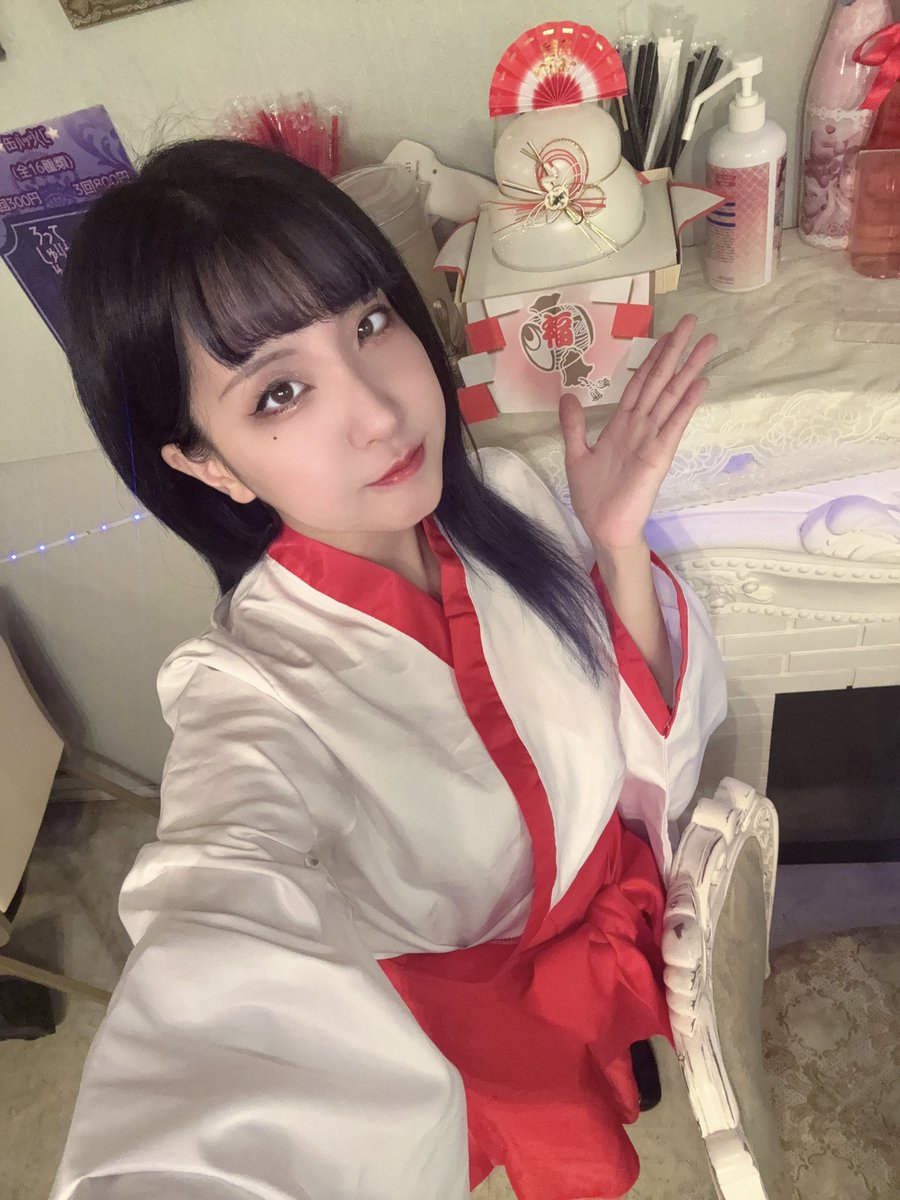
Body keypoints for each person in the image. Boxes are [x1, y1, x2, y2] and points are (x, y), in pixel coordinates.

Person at [51, 138, 727, 1200]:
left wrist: (615, 545)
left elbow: (640, 741)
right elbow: (218, 913)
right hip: (485, 1029)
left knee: (621, 1080)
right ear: (208, 464)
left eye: (369, 322)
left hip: (608, 929)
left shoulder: (506, 499)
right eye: (280, 392)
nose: (378, 409)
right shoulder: (247, 693)